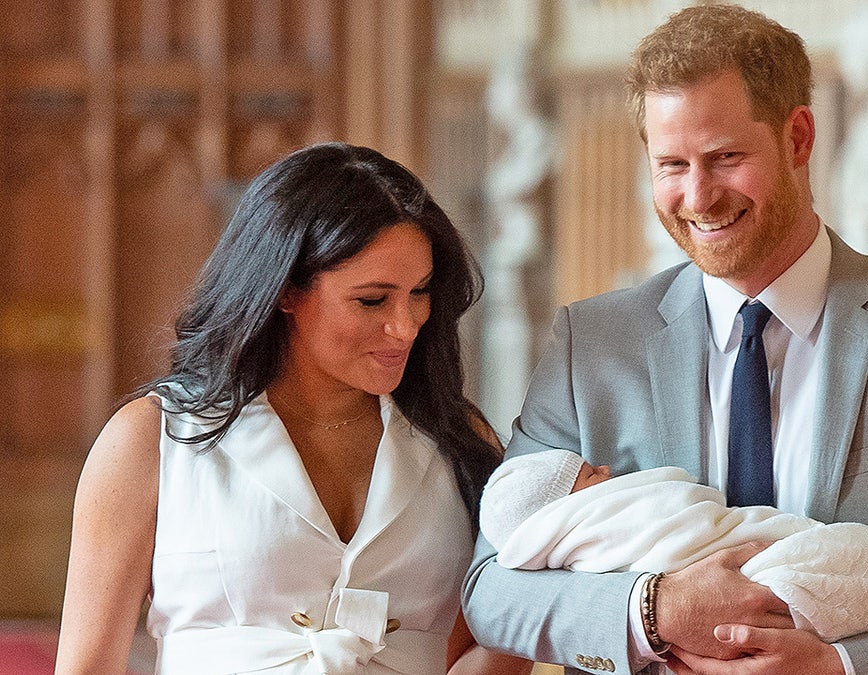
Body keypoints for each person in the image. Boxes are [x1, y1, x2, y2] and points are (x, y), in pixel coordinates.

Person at [462, 5, 868, 675]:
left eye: (725, 158)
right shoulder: (590, 344)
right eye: (671, 164)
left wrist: (844, 665)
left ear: (797, 138)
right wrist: (655, 610)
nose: (698, 197)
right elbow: (491, 590)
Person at [56, 142, 533, 675]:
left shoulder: (459, 440)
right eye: (372, 300)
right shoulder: (153, 438)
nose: (405, 326)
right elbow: (87, 665)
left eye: (419, 292)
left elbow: (495, 640)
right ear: (284, 289)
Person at [479, 450, 868, 643]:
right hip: (744, 578)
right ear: (560, 510)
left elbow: (699, 516)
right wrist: (653, 607)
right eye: (589, 475)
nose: (606, 471)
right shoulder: (582, 338)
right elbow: (490, 597)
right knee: (855, 562)